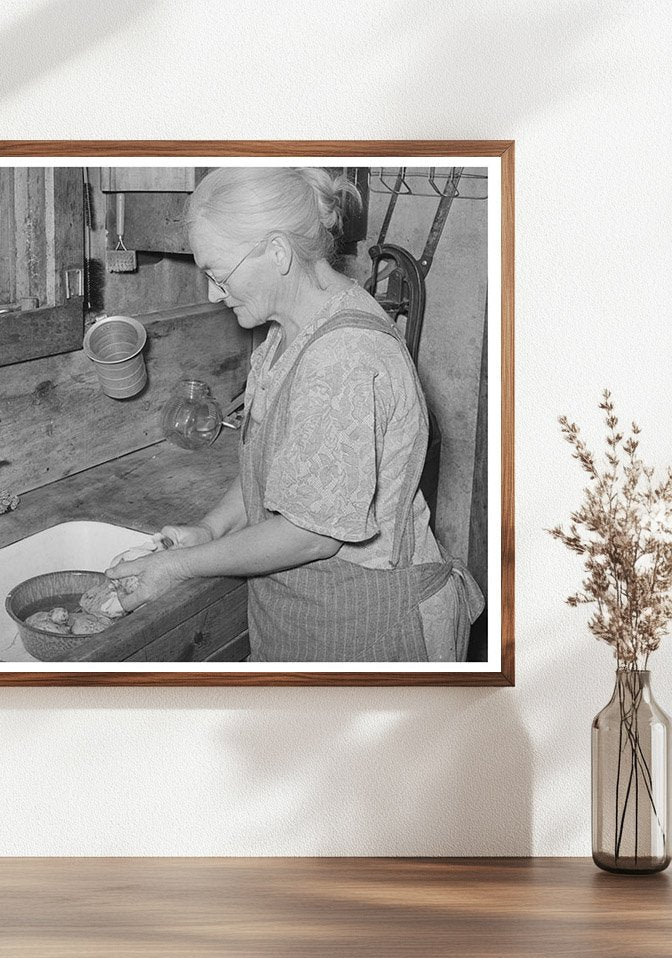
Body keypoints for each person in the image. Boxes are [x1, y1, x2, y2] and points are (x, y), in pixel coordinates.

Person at [106, 167, 484, 662]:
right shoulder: (288, 331)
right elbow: (274, 469)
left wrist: (179, 566)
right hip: (306, 621)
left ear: (278, 252)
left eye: (218, 273)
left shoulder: (345, 357)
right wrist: (211, 530)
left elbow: (309, 535)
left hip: (370, 633)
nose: (213, 293)